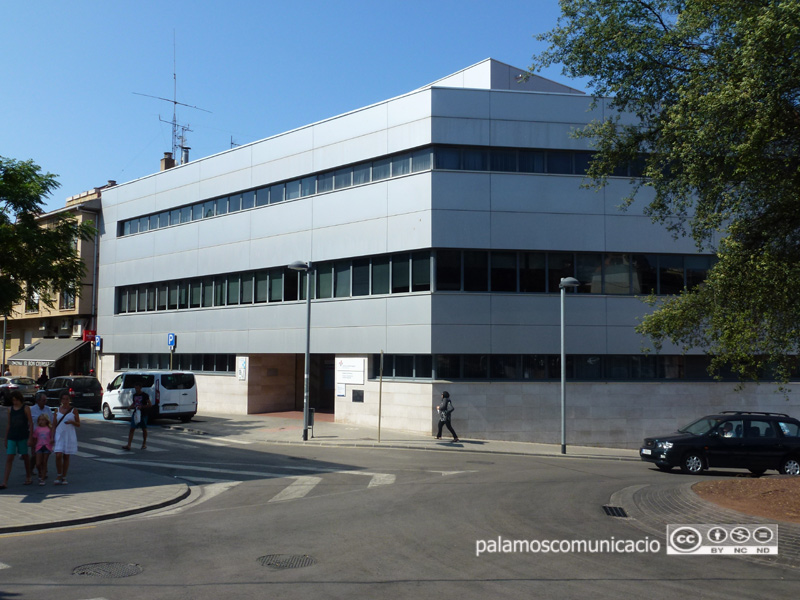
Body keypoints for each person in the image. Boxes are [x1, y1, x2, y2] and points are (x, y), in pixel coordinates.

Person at [1, 391, 34, 488]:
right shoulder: (10, 409)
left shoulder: (26, 408)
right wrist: (6, 438)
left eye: (16, 400)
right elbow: (9, 424)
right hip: (12, 435)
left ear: (20, 399)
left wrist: (30, 437)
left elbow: (31, 423)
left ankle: (28, 476)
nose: (15, 402)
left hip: (22, 436)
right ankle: (5, 482)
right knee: (9, 457)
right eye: (13, 400)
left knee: (25, 456)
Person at [53, 391, 80, 485]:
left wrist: (72, 422)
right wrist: (52, 437)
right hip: (59, 434)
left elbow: (78, 424)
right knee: (58, 454)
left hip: (69, 435)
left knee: (66, 455)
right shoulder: (57, 410)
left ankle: (64, 476)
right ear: (61, 400)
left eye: (67, 399)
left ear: (70, 400)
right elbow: (54, 424)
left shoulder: (74, 410)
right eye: (63, 399)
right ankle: (58, 474)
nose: (65, 401)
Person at [29, 391, 54, 479]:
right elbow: (29, 423)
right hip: (36, 435)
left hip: (46, 435)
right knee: (35, 455)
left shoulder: (47, 409)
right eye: (43, 400)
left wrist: (52, 435)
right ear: (38, 401)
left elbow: (51, 422)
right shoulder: (32, 409)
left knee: (45, 455)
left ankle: (44, 472)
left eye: (45, 400)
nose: (45, 402)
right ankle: (31, 468)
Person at [122, 382, 151, 451]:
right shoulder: (134, 395)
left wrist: (142, 407)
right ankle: (129, 445)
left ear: (140, 388)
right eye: (135, 388)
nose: (136, 389)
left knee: (144, 428)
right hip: (136, 413)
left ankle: (144, 443)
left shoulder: (145, 395)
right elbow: (134, 403)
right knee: (132, 428)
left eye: (137, 388)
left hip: (143, 414)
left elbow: (150, 404)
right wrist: (130, 407)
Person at [32, 413, 53, 485]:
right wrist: (33, 447)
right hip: (39, 447)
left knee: (44, 462)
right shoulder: (37, 429)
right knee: (38, 463)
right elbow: (34, 438)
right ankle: (40, 473)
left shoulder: (49, 429)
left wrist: (52, 445)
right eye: (40, 420)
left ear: (46, 421)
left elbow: (52, 438)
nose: (41, 421)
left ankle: (42, 478)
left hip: (47, 447)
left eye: (43, 420)